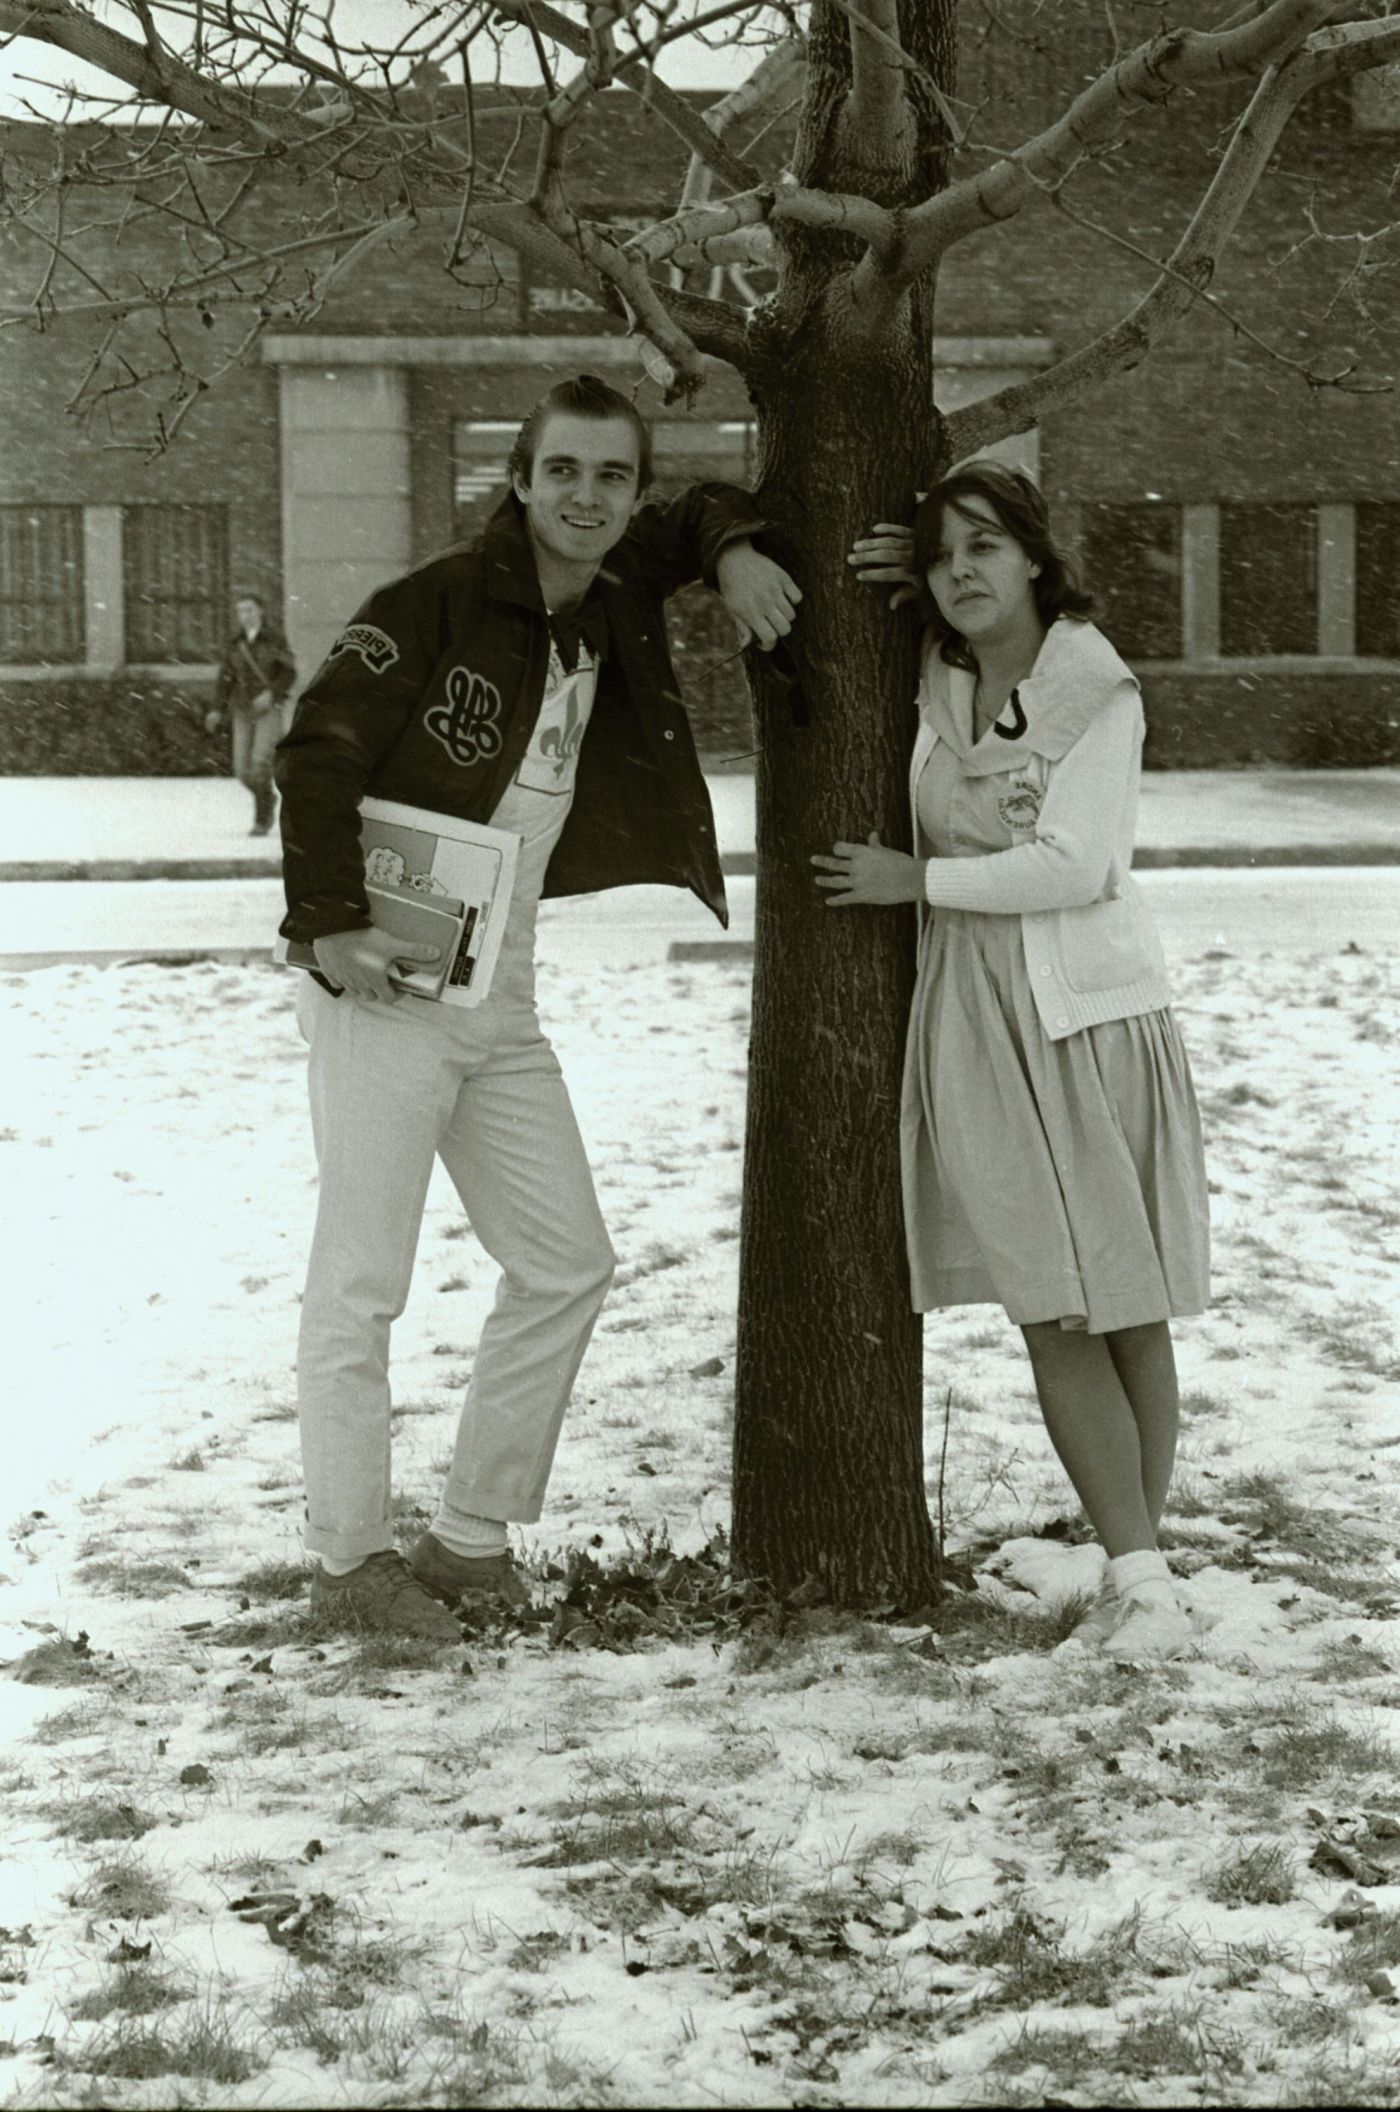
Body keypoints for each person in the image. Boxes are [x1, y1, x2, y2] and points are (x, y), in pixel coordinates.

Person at [276, 372, 801, 1641]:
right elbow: (319, 746)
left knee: (567, 1260)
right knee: (361, 1284)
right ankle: (349, 1567)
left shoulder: (611, 593)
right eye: (560, 470)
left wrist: (728, 551)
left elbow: (703, 508)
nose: (586, 496)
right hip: (389, 987)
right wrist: (328, 925)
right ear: (520, 480)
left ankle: (467, 1541)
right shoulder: (439, 600)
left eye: (610, 476)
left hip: (503, 996)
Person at [815, 460, 1209, 1663]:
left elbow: (1073, 865)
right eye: (942, 556)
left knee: (1122, 1305)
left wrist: (911, 879)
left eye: (985, 546)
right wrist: (895, 561)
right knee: (1052, 1301)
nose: (961, 573)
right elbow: (903, 602)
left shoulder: (1096, 688)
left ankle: (1136, 1575)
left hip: (1085, 1015)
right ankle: (1130, 1558)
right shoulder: (935, 677)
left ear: (1036, 556)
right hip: (975, 1023)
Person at [207, 593, 298, 836]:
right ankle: (268, 799)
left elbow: (289, 673)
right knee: (241, 770)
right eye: (240, 611)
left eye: (249, 610)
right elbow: (226, 678)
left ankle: (261, 820)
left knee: (260, 764)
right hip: (242, 709)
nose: (244, 616)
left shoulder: (274, 639)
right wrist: (217, 708)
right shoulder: (235, 642)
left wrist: (272, 692)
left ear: (260, 611)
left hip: (268, 709)